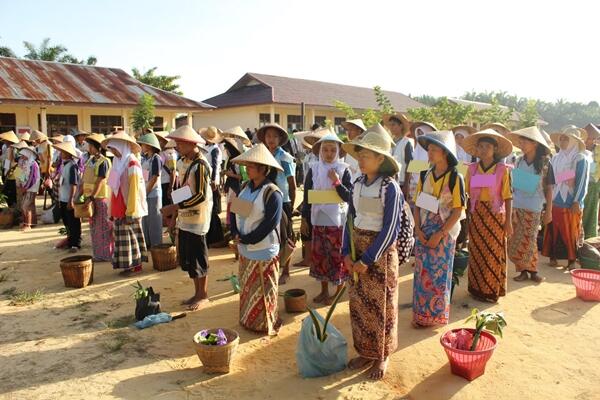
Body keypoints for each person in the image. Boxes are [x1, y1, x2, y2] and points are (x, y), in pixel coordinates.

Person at [341, 130, 402, 381]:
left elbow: (390, 229)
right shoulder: (356, 184)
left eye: (366, 155)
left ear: (380, 159)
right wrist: (346, 251)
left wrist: (367, 260)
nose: (361, 159)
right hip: (356, 252)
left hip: (379, 257)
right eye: (360, 155)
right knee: (359, 305)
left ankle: (382, 354)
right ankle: (366, 351)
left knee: (382, 307)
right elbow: (350, 219)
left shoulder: (390, 188)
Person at [229, 144, 284, 334]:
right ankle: (249, 320)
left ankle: (265, 323)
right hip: (246, 248)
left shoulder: (272, 193)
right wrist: (236, 233)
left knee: (264, 289)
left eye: (251, 166)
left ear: (263, 168)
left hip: (263, 249)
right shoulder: (245, 187)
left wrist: (247, 239)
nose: (247, 169)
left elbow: (270, 223)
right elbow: (234, 212)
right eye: (247, 166)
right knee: (249, 289)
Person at [412, 131, 466, 327]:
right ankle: (420, 315)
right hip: (423, 230)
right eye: (429, 149)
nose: (430, 153)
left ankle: (435, 316)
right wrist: (417, 229)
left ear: (445, 153)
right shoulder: (424, 175)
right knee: (421, 274)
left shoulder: (455, 178)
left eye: (435, 149)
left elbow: (457, 211)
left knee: (439, 276)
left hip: (443, 233)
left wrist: (440, 234)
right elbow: (417, 205)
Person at [162, 126, 213, 311]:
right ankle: (197, 292)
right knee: (190, 258)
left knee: (199, 256)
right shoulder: (184, 161)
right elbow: (183, 190)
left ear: (191, 144)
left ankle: (203, 294)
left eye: (180, 144)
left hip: (198, 217)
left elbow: (199, 195)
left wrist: (174, 207)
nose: (177, 147)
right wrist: (174, 215)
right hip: (186, 216)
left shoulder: (200, 165)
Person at [463, 129, 514, 303]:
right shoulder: (472, 169)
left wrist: (508, 222)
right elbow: (467, 194)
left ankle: (491, 290)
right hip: (477, 215)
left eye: (488, 147)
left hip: (495, 216)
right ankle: (476, 288)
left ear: (494, 150)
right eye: (481, 146)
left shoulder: (502, 170)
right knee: (476, 252)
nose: (484, 150)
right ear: (476, 149)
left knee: (493, 252)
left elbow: (507, 196)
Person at [302, 134, 351, 304]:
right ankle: (324, 290)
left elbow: (348, 196)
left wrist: (336, 181)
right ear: (320, 152)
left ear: (338, 151)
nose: (329, 153)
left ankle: (338, 291)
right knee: (320, 256)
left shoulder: (344, 169)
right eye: (325, 150)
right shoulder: (313, 169)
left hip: (337, 222)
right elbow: (307, 195)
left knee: (336, 257)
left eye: (332, 150)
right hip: (318, 220)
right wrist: (304, 218)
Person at [506, 126, 553, 283]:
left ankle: (532, 270)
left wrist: (549, 211)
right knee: (516, 239)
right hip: (517, 205)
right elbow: (513, 185)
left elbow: (550, 188)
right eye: (521, 141)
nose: (522, 144)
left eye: (525, 141)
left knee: (530, 239)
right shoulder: (518, 161)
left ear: (535, 144)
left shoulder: (546, 163)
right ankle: (522, 270)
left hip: (534, 206)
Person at [543, 126, 589, 270]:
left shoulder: (580, 158)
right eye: (561, 138)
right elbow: (552, 179)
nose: (562, 141)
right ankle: (553, 256)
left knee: (570, 231)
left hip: (570, 200)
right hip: (556, 198)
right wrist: (566, 177)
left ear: (574, 141)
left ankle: (571, 260)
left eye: (565, 139)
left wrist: (577, 200)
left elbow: (582, 180)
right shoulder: (556, 158)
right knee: (553, 229)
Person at [257, 123, 296, 284]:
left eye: (274, 136)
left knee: (285, 237)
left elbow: (292, 183)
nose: (271, 139)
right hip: (265, 200)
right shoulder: (262, 156)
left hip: (283, 200)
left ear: (280, 139)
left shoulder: (284, 157)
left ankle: (286, 271)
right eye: (268, 136)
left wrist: (291, 206)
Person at [104, 131, 148, 275]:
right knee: (122, 238)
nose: (114, 152)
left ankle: (135, 266)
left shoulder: (132, 163)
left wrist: (131, 211)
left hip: (130, 206)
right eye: (112, 149)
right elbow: (112, 188)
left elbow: (135, 189)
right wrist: (111, 210)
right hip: (118, 205)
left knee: (131, 237)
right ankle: (127, 265)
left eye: (115, 149)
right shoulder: (117, 163)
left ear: (121, 146)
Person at [80, 133, 113, 262]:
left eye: (91, 146)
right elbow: (84, 179)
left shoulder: (104, 162)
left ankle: (106, 254)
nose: (89, 148)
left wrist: (92, 197)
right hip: (90, 197)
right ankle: (98, 253)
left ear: (98, 147)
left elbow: (100, 180)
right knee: (94, 227)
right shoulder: (89, 160)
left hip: (99, 197)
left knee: (103, 227)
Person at [52, 140, 82, 253]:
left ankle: (76, 243)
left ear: (68, 153)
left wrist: (71, 200)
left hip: (69, 198)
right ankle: (70, 240)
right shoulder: (64, 166)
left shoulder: (72, 166)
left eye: (62, 152)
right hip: (63, 198)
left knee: (74, 222)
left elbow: (73, 184)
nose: (60, 154)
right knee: (67, 221)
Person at [137, 133, 164, 252]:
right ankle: (148, 242)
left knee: (154, 220)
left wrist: (146, 192)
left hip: (153, 194)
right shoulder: (146, 158)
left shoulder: (156, 158)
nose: (141, 146)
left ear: (148, 146)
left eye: (142, 144)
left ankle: (156, 244)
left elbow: (154, 177)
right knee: (146, 220)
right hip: (146, 192)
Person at [200, 126, 226, 247]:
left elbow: (215, 166)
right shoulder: (207, 148)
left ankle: (217, 238)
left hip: (212, 181)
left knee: (213, 210)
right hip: (208, 180)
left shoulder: (215, 150)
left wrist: (213, 181)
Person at [221, 126, 251, 227]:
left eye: (235, 137)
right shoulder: (231, 158)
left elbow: (245, 176)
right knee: (234, 212)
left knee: (240, 215)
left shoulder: (245, 154)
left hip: (241, 188)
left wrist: (231, 175)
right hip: (236, 188)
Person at [408, 122, 437, 203]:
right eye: (419, 133)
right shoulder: (416, 150)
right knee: (414, 210)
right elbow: (412, 172)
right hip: (414, 186)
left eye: (423, 133)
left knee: (426, 210)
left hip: (428, 186)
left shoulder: (436, 152)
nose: (421, 136)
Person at [385, 114, 414, 197]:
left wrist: (406, 184)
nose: (391, 128)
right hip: (389, 180)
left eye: (393, 125)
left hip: (401, 182)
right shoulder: (389, 142)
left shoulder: (406, 142)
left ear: (401, 126)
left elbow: (410, 164)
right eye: (390, 125)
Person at [15, 145, 40, 231]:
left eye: (23, 155)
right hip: (25, 187)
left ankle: (28, 224)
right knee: (28, 205)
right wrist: (20, 185)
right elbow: (20, 174)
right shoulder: (23, 162)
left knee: (26, 205)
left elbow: (32, 179)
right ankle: (30, 223)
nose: (22, 156)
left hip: (31, 188)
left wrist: (25, 187)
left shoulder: (33, 164)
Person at [581, 123, 600, 238]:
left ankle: (589, 238)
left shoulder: (598, 151)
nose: (589, 140)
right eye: (587, 138)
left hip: (593, 185)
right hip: (577, 184)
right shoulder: (578, 148)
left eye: (591, 138)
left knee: (591, 211)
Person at [155, 132, 177, 207]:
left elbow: (173, 171)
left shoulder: (171, 154)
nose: (159, 142)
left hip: (167, 182)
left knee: (168, 205)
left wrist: (170, 187)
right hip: (162, 182)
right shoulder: (161, 152)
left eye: (161, 140)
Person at [0, 131, 19, 208]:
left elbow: (9, 162)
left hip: (12, 173)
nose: (4, 141)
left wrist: (6, 172)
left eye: (5, 140)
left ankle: (14, 210)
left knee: (8, 193)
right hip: (19, 172)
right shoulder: (18, 148)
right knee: (17, 192)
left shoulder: (10, 149)